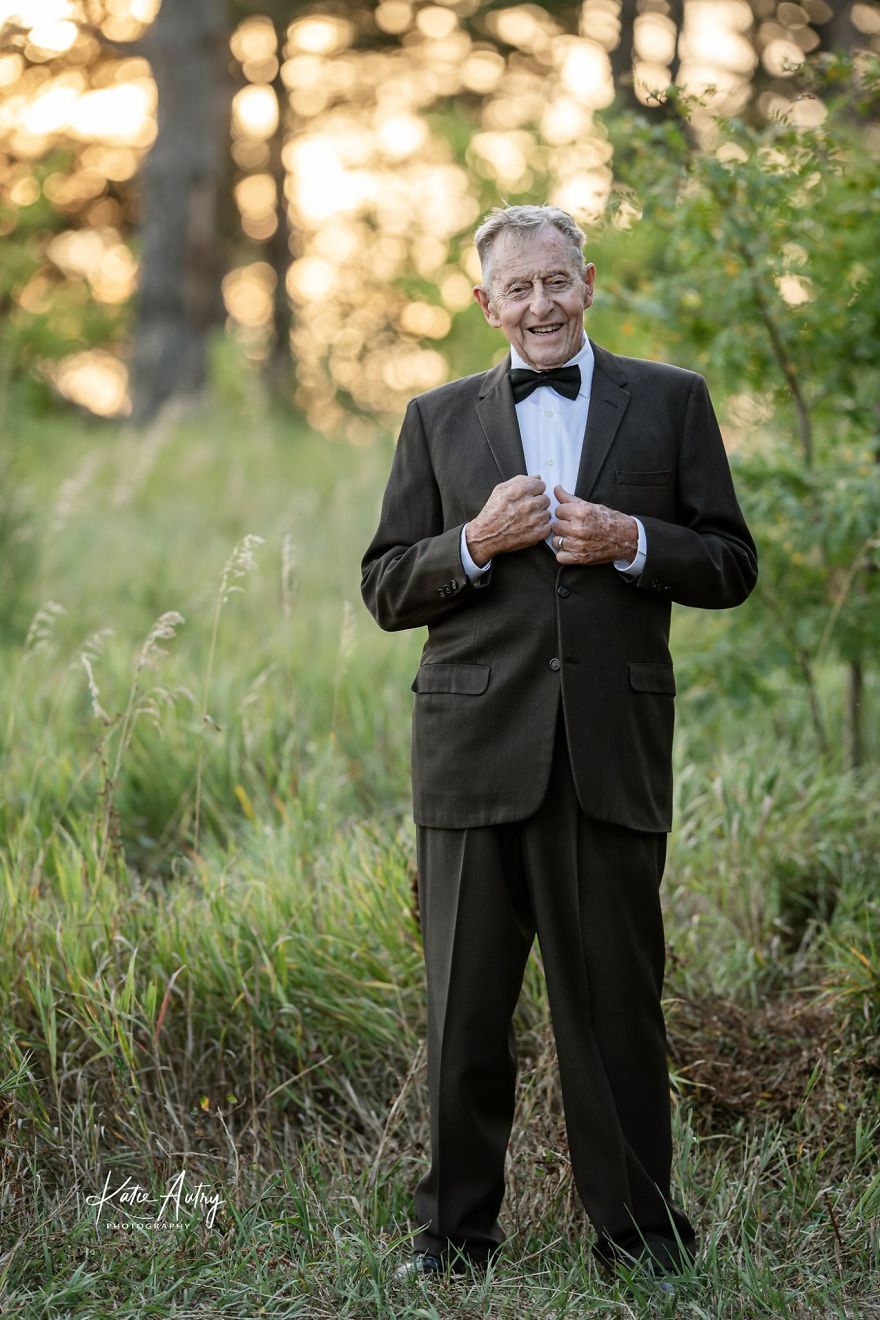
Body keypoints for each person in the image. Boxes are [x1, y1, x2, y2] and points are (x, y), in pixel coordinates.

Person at [360, 203, 757, 1287]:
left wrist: (633, 541)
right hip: (471, 753)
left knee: (615, 1012)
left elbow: (731, 562)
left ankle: (642, 1244)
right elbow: (385, 586)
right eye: (517, 288)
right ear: (485, 305)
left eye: (555, 281)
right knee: (463, 1016)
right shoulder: (434, 418)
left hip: (608, 754)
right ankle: (452, 1243)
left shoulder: (671, 401)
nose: (540, 304)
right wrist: (473, 543)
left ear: (588, 283)